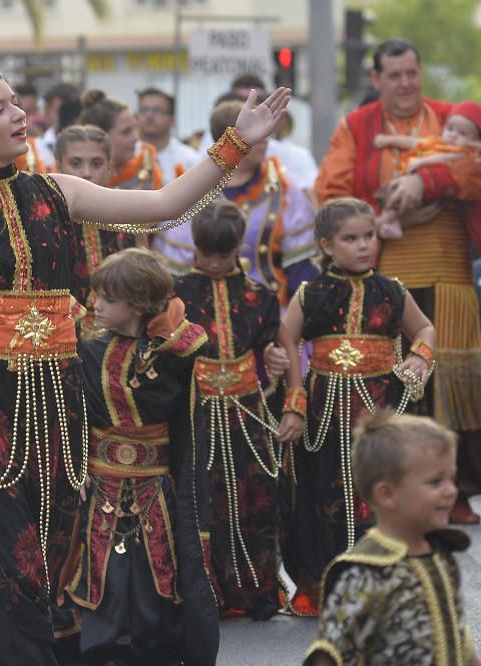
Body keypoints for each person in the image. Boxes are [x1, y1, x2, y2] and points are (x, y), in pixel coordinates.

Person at [0, 68, 289, 664]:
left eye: (17, 103)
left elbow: (162, 207)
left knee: (51, 561)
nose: (18, 114)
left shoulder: (56, 191)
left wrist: (235, 144)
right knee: (3, 570)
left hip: (61, 407)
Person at [315, 38, 481, 525]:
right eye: (395, 76)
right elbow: (331, 192)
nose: (406, 84)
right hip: (382, 273)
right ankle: (397, 490)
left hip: (450, 268)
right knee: (404, 381)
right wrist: (384, 200)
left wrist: (425, 183)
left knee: (454, 380)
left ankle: (453, 488)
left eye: (413, 73)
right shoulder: (357, 126)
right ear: (376, 80)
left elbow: (477, 163)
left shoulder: (452, 116)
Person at [277, 197, 436, 613]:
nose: (364, 245)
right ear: (327, 245)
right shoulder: (311, 294)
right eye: (351, 239)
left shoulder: (392, 291)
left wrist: (420, 355)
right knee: (322, 493)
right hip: (324, 415)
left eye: (369, 236)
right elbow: (287, 339)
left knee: (381, 491)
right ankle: (328, 583)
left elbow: (424, 327)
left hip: (381, 411)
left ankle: (385, 583)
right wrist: (294, 398)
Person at [62, 247, 215, 664]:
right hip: (101, 485)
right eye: (98, 296)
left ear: (138, 305)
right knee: (104, 579)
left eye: (108, 300)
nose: (96, 305)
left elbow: (191, 349)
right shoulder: (87, 351)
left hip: (156, 488)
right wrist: (79, 469)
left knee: (155, 581)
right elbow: (72, 414)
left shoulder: (169, 358)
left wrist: (164, 333)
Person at [174, 200, 283, 619]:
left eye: (224, 254)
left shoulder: (260, 295)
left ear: (239, 246)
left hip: (247, 412)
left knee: (256, 496)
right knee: (205, 499)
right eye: (207, 254)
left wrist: (274, 358)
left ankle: (257, 592)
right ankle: (210, 594)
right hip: (196, 411)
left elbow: (270, 344)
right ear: (194, 247)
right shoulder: (177, 293)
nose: (215, 263)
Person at [304, 410, 480, 666]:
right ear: (387, 495)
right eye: (435, 482)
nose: (451, 491)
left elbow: (457, 631)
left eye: (451, 479)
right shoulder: (366, 573)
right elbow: (329, 652)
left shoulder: (442, 554)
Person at [156, 99, 318, 307]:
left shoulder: (282, 189)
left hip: (270, 313)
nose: (265, 142)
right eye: (257, 135)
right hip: (201, 314)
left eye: (265, 135)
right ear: (230, 140)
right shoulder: (192, 190)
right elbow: (176, 273)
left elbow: (300, 267)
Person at [52, 123, 131, 335]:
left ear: (110, 167)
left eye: (96, 164)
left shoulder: (128, 213)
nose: (86, 173)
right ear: (58, 167)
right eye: (75, 163)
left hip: (120, 333)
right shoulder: (47, 219)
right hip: (63, 333)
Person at [372, 100, 481, 239]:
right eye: (450, 129)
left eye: (462, 133)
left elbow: (444, 158)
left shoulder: (465, 152)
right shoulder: (435, 142)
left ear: (475, 140)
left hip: (432, 192)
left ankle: (393, 221)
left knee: (411, 198)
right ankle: (387, 217)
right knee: (392, 192)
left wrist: (421, 161)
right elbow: (412, 142)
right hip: (412, 176)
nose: (453, 135)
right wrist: (388, 140)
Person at [79, 90, 163, 194]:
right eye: (126, 132)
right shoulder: (75, 178)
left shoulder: (147, 167)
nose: (136, 138)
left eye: (135, 129)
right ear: (100, 137)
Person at [136, 87, 200, 185]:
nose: (149, 115)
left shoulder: (190, 159)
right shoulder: (126, 154)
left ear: (172, 120)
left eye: (157, 110)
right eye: (144, 110)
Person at [35, 81, 80, 168]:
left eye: (69, 111)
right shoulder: (36, 146)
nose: (65, 116)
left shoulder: (90, 146)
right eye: (59, 111)